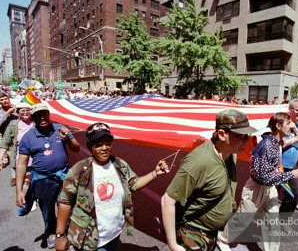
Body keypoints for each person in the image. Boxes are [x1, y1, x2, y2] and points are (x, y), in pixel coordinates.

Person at [54, 122, 169, 251]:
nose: (104, 148)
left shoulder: (119, 164)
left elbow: (134, 184)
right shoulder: (79, 170)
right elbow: (65, 202)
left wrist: (155, 173)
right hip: (88, 238)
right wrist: (59, 235)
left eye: (107, 143)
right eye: (98, 144)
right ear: (90, 146)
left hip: (114, 233)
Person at [161, 109, 258, 251]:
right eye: (241, 136)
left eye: (247, 135)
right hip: (194, 234)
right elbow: (167, 200)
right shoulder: (198, 161)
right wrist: (174, 246)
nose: (246, 140)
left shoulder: (231, 153)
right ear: (222, 135)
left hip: (214, 233)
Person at [216, 113, 298, 251]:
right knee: (242, 219)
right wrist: (290, 175)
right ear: (279, 126)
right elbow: (263, 176)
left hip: (270, 189)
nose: (291, 126)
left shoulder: (277, 142)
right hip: (257, 188)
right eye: (288, 124)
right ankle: (223, 239)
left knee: (273, 224)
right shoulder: (266, 146)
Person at [15, 103, 80, 249]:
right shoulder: (28, 137)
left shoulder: (60, 129)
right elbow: (21, 164)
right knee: (47, 208)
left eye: (45, 114)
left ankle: (65, 231)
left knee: (67, 205)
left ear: (49, 115)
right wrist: (19, 191)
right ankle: (51, 231)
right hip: (42, 181)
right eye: (38, 115)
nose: (42, 117)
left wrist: (68, 138)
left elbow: (76, 148)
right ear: (33, 118)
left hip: (64, 176)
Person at [0, 102, 34, 189]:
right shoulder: (13, 125)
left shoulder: (36, 123)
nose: (25, 113)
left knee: (37, 181)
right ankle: (24, 200)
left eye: (27, 110)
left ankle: (36, 200)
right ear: (18, 113)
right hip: (21, 159)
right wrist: (0, 159)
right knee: (26, 181)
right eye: (22, 110)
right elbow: (5, 142)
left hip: (36, 158)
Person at [280, 99, 298, 213]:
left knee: (294, 195)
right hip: (279, 166)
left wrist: (296, 129)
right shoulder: (283, 123)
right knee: (270, 195)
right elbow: (283, 143)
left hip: (291, 167)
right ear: (290, 110)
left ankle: (283, 221)